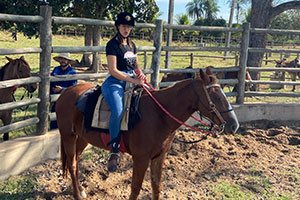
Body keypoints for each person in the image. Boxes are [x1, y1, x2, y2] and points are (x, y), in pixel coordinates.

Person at [102, 11, 146, 172]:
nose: (126, 29)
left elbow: (135, 65)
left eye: (129, 27)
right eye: (123, 26)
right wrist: (133, 80)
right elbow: (113, 70)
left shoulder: (132, 45)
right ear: (118, 27)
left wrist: (140, 74)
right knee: (118, 111)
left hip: (131, 80)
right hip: (115, 82)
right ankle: (114, 150)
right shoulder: (112, 45)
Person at [50, 53, 77, 130]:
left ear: (68, 61)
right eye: (61, 59)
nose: (62, 61)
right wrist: (50, 96)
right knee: (54, 119)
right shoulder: (56, 69)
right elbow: (51, 83)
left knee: (66, 120)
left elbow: (73, 88)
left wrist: (62, 89)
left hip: (67, 100)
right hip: (55, 99)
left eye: (64, 59)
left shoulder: (72, 72)